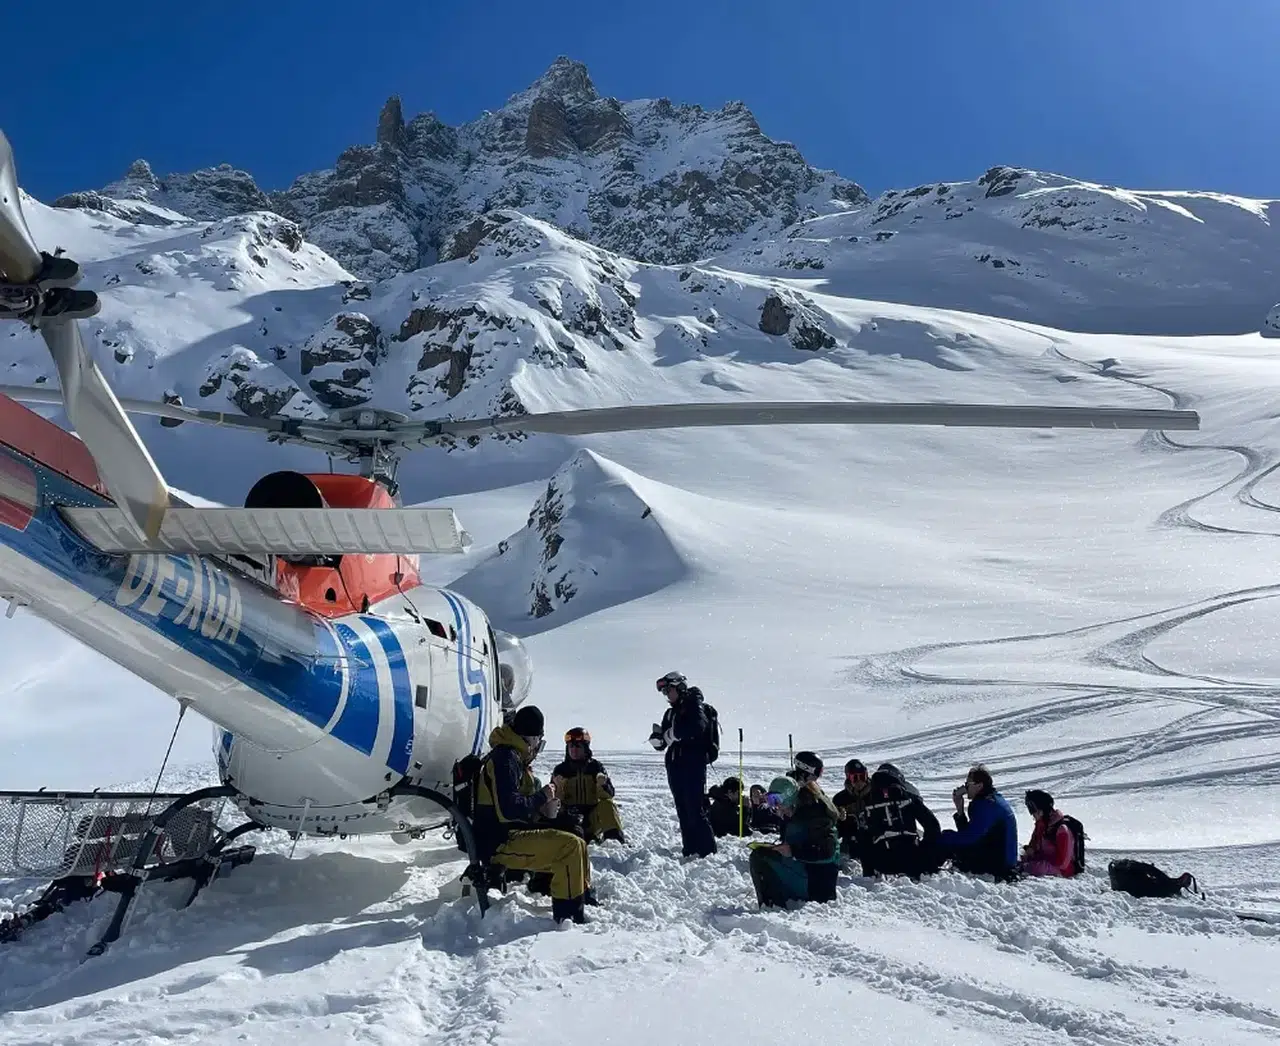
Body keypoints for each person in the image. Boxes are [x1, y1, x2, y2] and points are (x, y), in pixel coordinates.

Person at [473, 705, 594, 924]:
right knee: (569, 848)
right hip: (500, 843)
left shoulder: (512, 756)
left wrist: (544, 810)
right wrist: (542, 796)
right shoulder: (506, 758)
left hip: (509, 833)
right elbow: (509, 810)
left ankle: (580, 899)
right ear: (532, 738)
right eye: (539, 739)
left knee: (577, 839)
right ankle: (568, 917)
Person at [649, 671, 717, 857]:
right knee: (682, 808)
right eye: (664, 692)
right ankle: (690, 849)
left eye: (668, 690)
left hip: (692, 764)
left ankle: (706, 851)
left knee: (694, 807)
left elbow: (696, 726)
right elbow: (665, 739)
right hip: (675, 765)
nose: (667, 695)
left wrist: (674, 734)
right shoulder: (671, 713)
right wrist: (659, 740)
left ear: (679, 686)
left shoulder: (694, 705)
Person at [747, 774, 840, 907]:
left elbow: (827, 851)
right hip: (807, 873)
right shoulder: (793, 813)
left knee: (759, 858)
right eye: (770, 800)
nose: (775, 806)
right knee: (764, 854)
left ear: (789, 797)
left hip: (818, 884)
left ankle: (771, 907)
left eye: (776, 800)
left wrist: (793, 851)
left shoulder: (815, 814)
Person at [858, 763, 942, 878]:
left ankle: (870, 876)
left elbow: (863, 836)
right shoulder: (908, 797)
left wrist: (869, 868)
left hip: (882, 862)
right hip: (912, 857)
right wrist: (925, 851)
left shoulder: (868, 802)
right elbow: (933, 826)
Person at [938, 765, 1018, 880]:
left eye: (968, 784)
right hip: (999, 856)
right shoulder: (990, 800)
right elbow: (971, 833)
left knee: (947, 840)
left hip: (999, 865)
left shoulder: (987, 805)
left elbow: (970, 838)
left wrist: (942, 837)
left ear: (979, 785)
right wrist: (959, 809)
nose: (965, 788)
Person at [550, 727, 626, 844]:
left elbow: (609, 794)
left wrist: (603, 785)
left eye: (578, 746)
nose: (574, 750)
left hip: (591, 819)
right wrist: (558, 788)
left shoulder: (596, 767)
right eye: (571, 746)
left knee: (608, 804)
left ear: (585, 748)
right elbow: (552, 800)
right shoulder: (560, 770)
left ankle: (614, 840)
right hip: (569, 819)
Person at [1020, 789, 1076, 877]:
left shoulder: (1061, 829)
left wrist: (1036, 858)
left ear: (1043, 809)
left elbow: (1063, 863)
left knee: (1036, 868)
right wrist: (1030, 853)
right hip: (1042, 863)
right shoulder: (1040, 825)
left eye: (1033, 809)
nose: (1032, 814)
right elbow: (1033, 846)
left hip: (1061, 870)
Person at [832, 759, 872, 862]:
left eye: (862, 776)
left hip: (875, 842)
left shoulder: (875, 795)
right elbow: (834, 829)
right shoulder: (840, 799)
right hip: (851, 845)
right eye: (854, 778)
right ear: (848, 778)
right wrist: (839, 819)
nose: (859, 781)